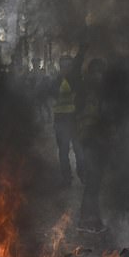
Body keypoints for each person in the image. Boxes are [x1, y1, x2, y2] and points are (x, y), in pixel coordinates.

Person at [76, 59, 108, 233]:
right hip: (89, 141)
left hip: (97, 141)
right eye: (97, 72)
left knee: (96, 182)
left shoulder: (98, 92)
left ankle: (93, 218)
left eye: (101, 72)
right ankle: (86, 220)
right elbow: (85, 118)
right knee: (92, 182)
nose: (100, 75)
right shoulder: (86, 91)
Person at [51, 53, 85, 185]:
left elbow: (82, 97)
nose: (66, 68)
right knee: (64, 152)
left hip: (74, 121)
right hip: (60, 121)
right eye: (63, 66)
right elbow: (51, 93)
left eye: (68, 66)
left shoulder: (76, 81)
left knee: (79, 150)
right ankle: (67, 177)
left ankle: (82, 173)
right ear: (60, 67)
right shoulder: (55, 81)